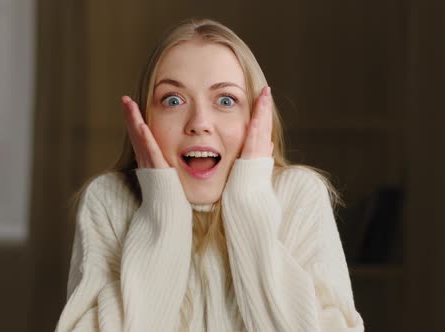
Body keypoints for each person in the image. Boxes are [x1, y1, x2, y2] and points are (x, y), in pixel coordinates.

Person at [55, 18, 364, 332]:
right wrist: (164, 212)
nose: (199, 122)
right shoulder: (110, 200)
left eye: (226, 100)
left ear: (256, 118)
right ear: (145, 121)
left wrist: (248, 204)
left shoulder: (297, 194)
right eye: (173, 100)